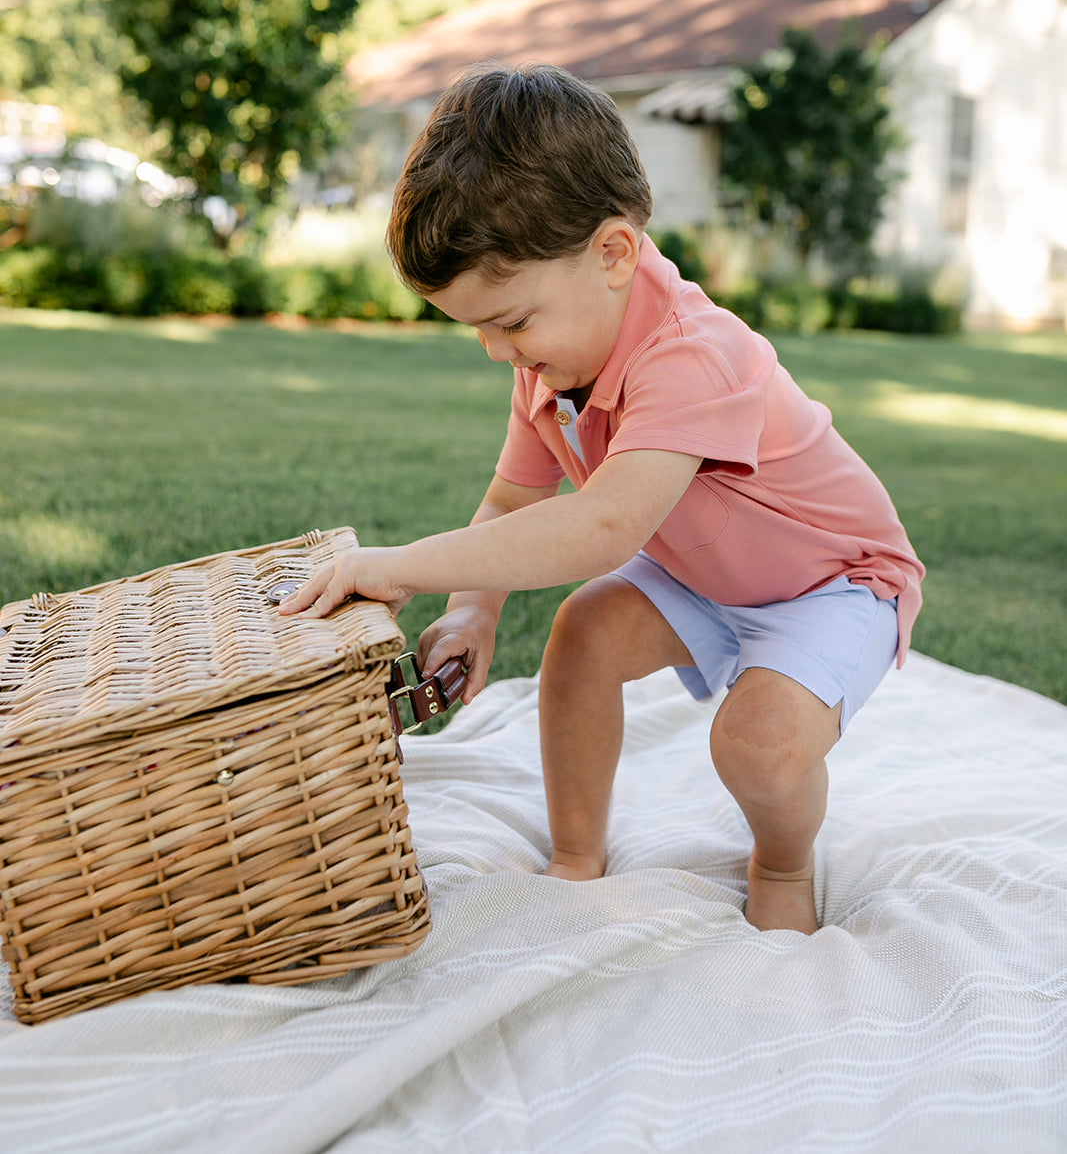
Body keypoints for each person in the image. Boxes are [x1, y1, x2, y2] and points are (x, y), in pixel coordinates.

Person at [280, 61, 924, 934]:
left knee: (757, 744)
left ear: (613, 254)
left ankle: (782, 860)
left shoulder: (693, 352)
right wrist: (471, 609)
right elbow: (512, 503)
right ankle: (575, 856)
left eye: (511, 321)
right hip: (708, 575)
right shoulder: (553, 366)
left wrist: (401, 567)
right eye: (477, 329)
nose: (497, 351)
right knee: (581, 634)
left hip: (832, 581)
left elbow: (604, 525)